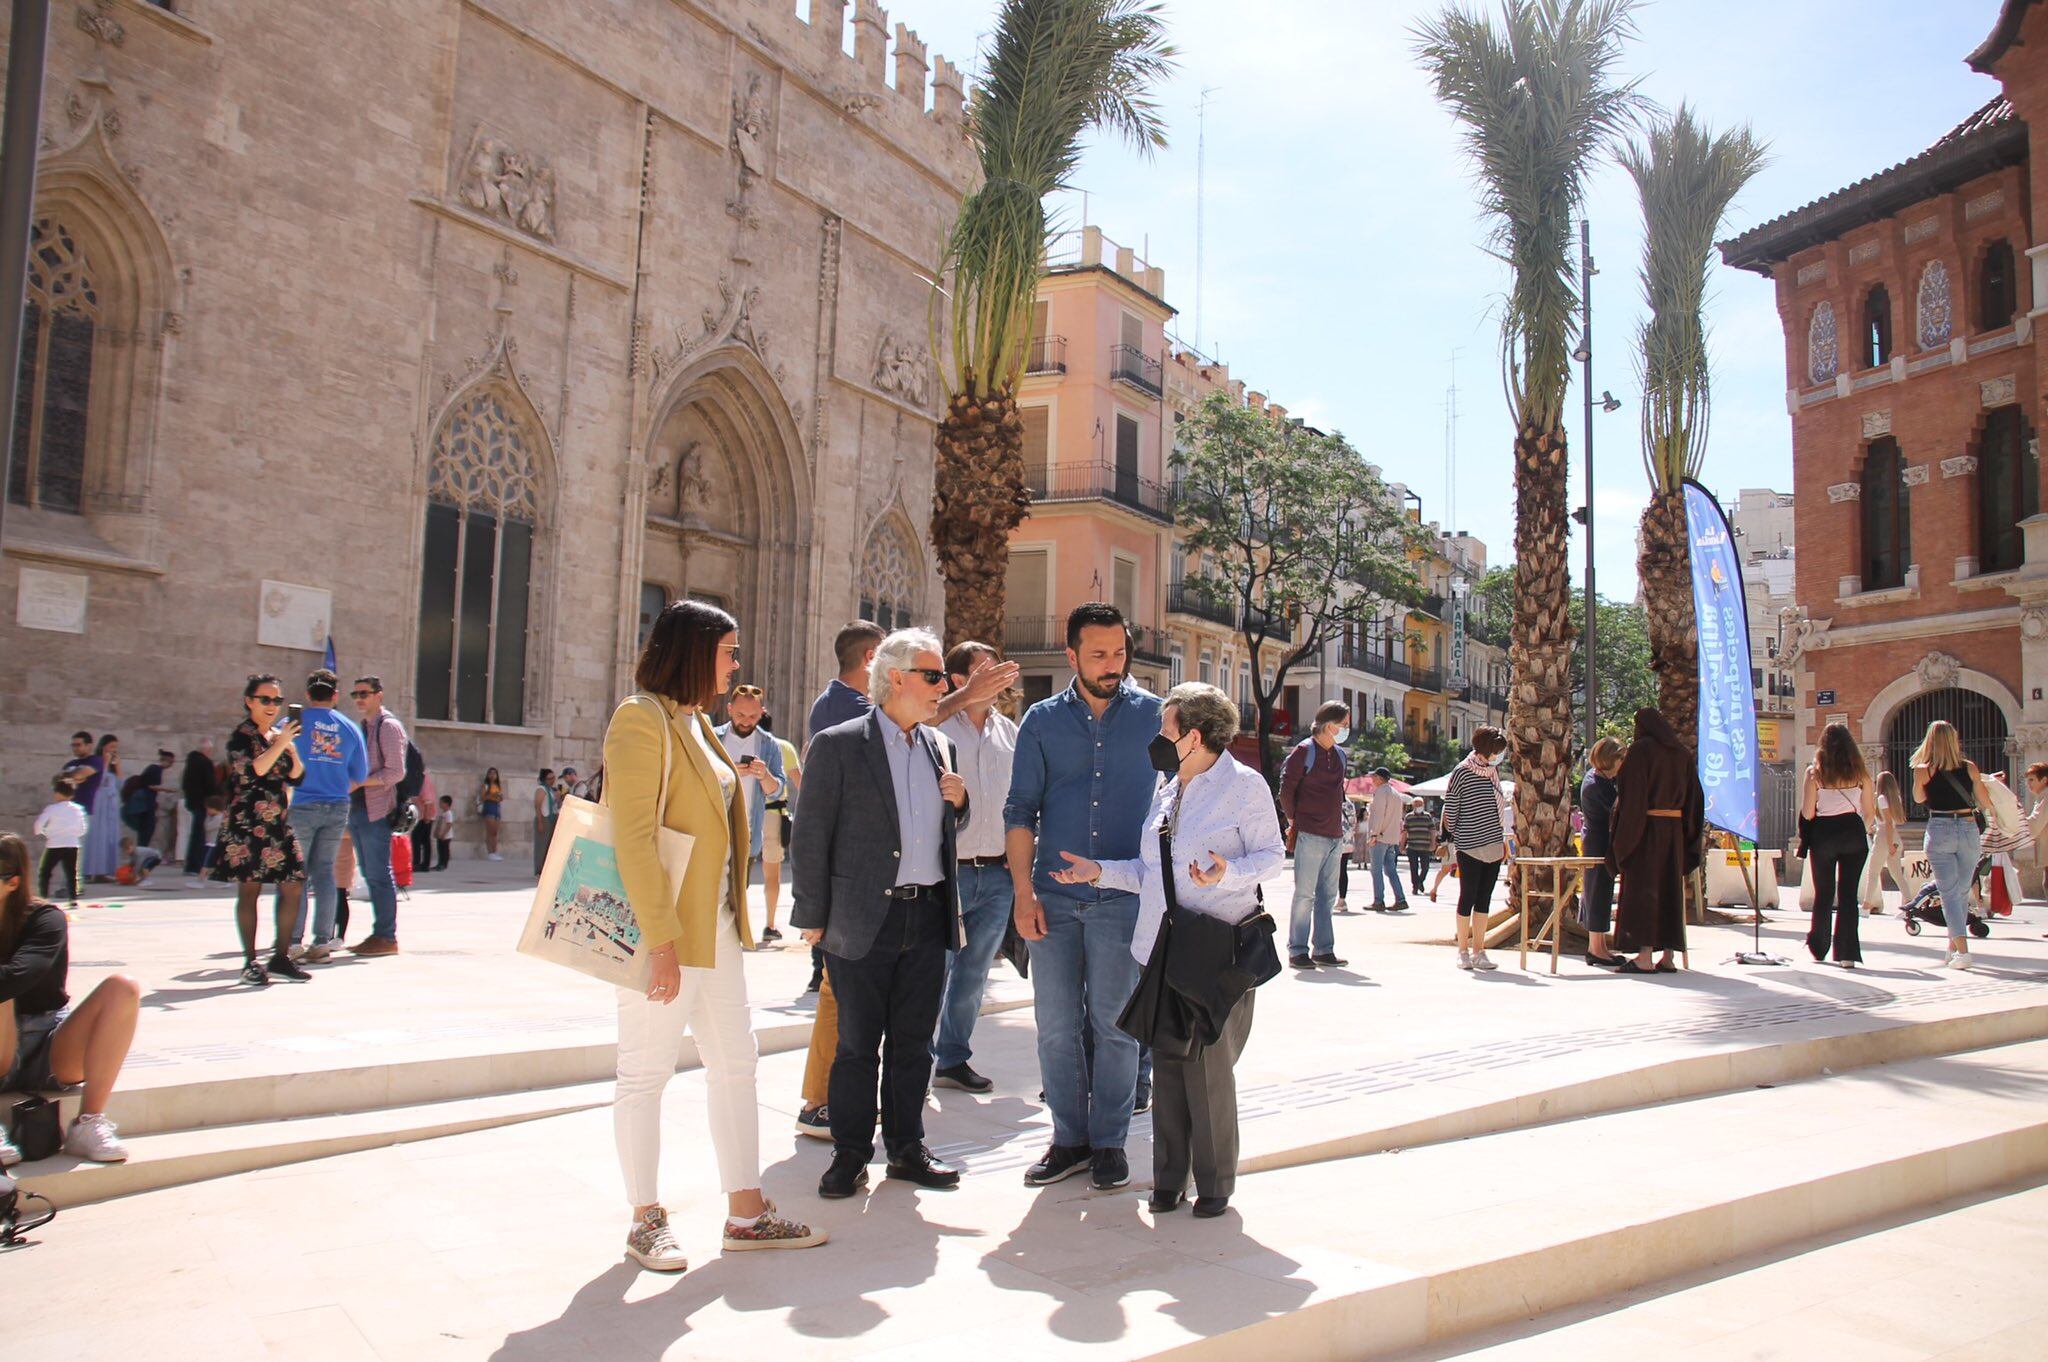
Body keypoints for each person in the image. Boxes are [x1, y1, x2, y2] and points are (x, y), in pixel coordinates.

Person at [607, 599, 823, 1269]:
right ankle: (646, 1219)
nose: (736, 665)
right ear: (695, 652)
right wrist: (660, 944)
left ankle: (747, 1212)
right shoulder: (640, 719)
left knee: (736, 1064)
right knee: (644, 1075)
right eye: (728, 652)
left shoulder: (697, 724)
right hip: (665, 934)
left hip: (719, 933)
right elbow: (633, 839)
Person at [1050, 682, 1282, 1219]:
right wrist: (1097, 873)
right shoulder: (1167, 787)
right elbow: (1148, 872)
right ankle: (1169, 1180)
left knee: (1209, 1067)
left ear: (1194, 735)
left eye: (1165, 729)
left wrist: (1230, 873)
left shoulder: (1244, 787)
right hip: (1158, 947)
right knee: (1170, 1068)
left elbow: (1273, 854)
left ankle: (1215, 1182)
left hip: (1216, 947)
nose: (1158, 738)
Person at [793, 621, 1019, 1140]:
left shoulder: (940, 748)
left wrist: (959, 806)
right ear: (896, 678)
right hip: (862, 917)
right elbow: (810, 834)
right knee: (856, 1047)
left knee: (913, 1043)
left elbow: (942, 826)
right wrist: (812, 918)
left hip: (927, 915)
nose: (944, 687)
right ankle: (848, 1155)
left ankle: (907, 1148)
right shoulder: (839, 742)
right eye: (934, 676)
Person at [1006, 602, 1163, 1193]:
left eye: (1119, 652)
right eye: (1098, 654)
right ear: (1071, 655)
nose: (1112, 665)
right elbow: (1020, 811)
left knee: (1115, 1025)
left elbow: (1175, 803)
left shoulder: (1154, 720)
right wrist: (1023, 894)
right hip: (1052, 899)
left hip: (1122, 898)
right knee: (1054, 1024)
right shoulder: (1041, 722)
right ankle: (1068, 1139)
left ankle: (1110, 1144)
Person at [0, 834, 142, 1167]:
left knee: (123, 988)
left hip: (50, 1047)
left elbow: (21, 974)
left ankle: (88, 1123)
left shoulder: (44, 919)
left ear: (12, 883)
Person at [933, 640, 1018, 1094]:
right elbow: (912, 721)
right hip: (950, 871)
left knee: (974, 972)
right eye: (987, 669)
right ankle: (915, 1064)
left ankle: (952, 1058)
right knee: (937, 969)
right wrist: (961, 700)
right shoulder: (938, 725)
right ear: (960, 678)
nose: (1000, 675)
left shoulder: (1011, 731)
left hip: (999, 872)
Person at [211, 674, 311, 987]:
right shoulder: (240, 737)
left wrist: (291, 750)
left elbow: (297, 777)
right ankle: (249, 961)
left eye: (277, 700)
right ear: (249, 701)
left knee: (294, 882)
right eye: (265, 699)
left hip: (278, 823)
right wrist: (280, 743)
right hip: (247, 824)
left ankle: (281, 957)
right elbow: (254, 770)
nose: (271, 706)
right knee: (250, 889)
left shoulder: (276, 736)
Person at [1610, 707, 1704, 976]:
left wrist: (1623, 838)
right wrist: (1687, 837)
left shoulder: (1640, 751)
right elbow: (1695, 799)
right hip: (1674, 833)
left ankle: (1644, 956)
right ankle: (1669, 956)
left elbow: (1632, 796)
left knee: (1645, 891)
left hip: (1646, 830)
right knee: (1670, 891)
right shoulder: (1682, 755)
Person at [287, 669, 369, 963]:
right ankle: (322, 940)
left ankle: (292, 940)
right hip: (336, 806)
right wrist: (336, 788)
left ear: (308, 695)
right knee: (324, 872)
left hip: (300, 805)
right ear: (335, 696)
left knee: (295, 873)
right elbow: (359, 775)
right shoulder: (349, 728)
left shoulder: (292, 724)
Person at [1278, 702, 1353, 969]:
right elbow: (1286, 790)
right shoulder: (1304, 752)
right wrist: (1294, 820)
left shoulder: (1340, 755)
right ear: (1329, 725)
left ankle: (1323, 949)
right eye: (1343, 724)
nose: (1346, 729)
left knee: (1327, 896)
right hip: (1309, 832)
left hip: (1334, 834)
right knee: (1305, 895)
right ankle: (1298, 950)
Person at [1911, 718, 1989, 970]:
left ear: (1930, 741)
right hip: (1968, 828)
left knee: (1949, 893)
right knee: (1962, 891)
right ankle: (1953, 948)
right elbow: (1984, 802)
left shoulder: (1924, 768)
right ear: (1954, 740)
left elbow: (1918, 797)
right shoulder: (1969, 767)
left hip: (1940, 827)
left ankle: (1962, 952)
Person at [713, 684, 787, 939]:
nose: (746, 722)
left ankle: (729, 943)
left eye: (753, 717)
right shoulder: (714, 738)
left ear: (761, 712)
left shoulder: (768, 745)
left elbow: (777, 789)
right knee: (711, 894)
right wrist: (728, 772)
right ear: (730, 709)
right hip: (715, 829)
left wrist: (763, 775)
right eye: (741, 715)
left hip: (748, 832)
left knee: (736, 895)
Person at [1801, 722, 1876, 969]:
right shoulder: (1860, 773)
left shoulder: (1815, 773)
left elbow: (1808, 812)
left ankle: (1819, 946)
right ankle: (1847, 953)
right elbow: (1869, 812)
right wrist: (1860, 829)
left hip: (1824, 834)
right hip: (1853, 833)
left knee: (1823, 893)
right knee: (1848, 894)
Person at [1441, 727, 1510, 971]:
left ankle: (1480, 950)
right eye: (1495, 752)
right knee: (1467, 897)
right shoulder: (1462, 771)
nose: (1497, 756)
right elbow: (1451, 807)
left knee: (1484, 899)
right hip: (1469, 845)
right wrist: (1455, 838)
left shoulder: (1493, 772)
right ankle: (1463, 950)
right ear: (1484, 749)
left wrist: (1502, 840)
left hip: (1493, 843)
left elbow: (1497, 806)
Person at [347, 676, 407, 956]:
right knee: (371, 874)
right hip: (359, 808)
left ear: (379, 695)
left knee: (380, 874)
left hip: (377, 810)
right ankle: (380, 933)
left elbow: (396, 771)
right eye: (356, 694)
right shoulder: (363, 727)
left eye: (365, 693)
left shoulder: (388, 727)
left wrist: (361, 782)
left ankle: (386, 936)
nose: (360, 698)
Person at [1578, 738, 1625, 968]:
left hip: (1600, 841)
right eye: (1619, 758)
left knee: (1601, 892)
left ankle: (1599, 947)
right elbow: (1615, 810)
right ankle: (1596, 948)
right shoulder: (1597, 783)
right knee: (1596, 893)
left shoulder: (1601, 779)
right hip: (1597, 842)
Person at [760, 714, 801, 941]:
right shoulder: (783, 747)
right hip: (773, 815)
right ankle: (770, 924)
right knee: (771, 874)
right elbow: (800, 783)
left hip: (742, 814)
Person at [1363, 762, 1409, 914]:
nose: (1372, 779)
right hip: (1391, 837)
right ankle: (1400, 899)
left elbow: (1378, 815)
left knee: (1376, 870)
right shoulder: (1395, 793)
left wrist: (1374, 834)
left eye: (1374, 776)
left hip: (1380, 836)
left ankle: (1378, 900)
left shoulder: (1381, 792)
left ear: (1378, 778)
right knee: (1391, 870)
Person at [77, 734, 123, 883]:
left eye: (116, 747)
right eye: (111, 747)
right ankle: (90, 870)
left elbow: (120, 784)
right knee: (97, 835)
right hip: (99, 803)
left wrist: (117, 765)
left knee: (110, 836)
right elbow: (99, 780)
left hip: (112, 804)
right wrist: (105, 762)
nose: (114, 750)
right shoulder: (96, 762)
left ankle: (105, 871)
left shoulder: (113, 766)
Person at [33, 778, 87, 907]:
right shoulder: (78, 809)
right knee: (71, 872)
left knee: (45, 871)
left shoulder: (51, 809)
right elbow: (82, 829)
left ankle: (44, 898)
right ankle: (73, 899)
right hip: (72, 844)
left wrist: (45, 832)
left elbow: (37, 826)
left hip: (54, 844)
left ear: (57, 793)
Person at [1863, 770, 1909, 914]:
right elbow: (1891, 822)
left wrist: (1889, 844)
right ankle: (1909, 903)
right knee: (1897, 874)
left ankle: (1865, 906)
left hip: (1884, 837)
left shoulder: (1881, 798)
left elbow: (1887, 822)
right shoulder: (1896, 798)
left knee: (1873, 872)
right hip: (1894, 836)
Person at [181, 738, 219, 880]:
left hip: (192, 802)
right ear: (206, 750)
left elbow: (185, 784)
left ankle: (192, 865)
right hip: (203, 804)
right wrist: (214, 803)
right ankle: (196, 866)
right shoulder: (205, 763)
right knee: (201, 836)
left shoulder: (190, 762)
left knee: (196, 834)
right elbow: (210, 786)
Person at [1403, 797, 1435, 896]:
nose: (1418, 806)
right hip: (1412, 846)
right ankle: (1415, 886)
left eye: (1420, 804)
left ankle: (1420, 881)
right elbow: (1405, 832)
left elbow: (1432, 831)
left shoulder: (1427, 816)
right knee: (1414, 868)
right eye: (1416, 804)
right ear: (1413, 806)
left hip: (1425, 846)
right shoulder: (1408, 817)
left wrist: (1433, 844)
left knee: (1425, 867)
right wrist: (1402, 845)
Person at [533, 768, 559, 877]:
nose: (552, 780)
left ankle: (546, 869)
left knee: (549, 845)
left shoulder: (551, 790)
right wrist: (540, 822)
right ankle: (538, 870)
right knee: (541, 845)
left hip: (551, 818)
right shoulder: (541, 789)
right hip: (543, 818)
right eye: (550, 778)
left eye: (553, 778)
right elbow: (538, 805)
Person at [477, 767, 506, 861]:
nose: (493, 775)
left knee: (495, 832)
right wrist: (492, 795)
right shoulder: (485, 785)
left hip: (496, 807)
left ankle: (495, 851)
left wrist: (499, 796)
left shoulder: (498, 786)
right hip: (489, 807)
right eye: (491, 773)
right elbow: (483, 797)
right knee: (490, 831)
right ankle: (490, 852)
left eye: (494, 773)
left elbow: (501, 798)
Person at [435, 796, 456, 870]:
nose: (439, 804)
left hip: (446, 836)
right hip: (440, 835)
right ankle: (440, 863)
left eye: (441, 803)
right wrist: (437, 832)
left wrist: (443, 834)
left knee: (444, 850)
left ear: (446, 804)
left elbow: (449, 824)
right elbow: (439, 824)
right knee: (440, 850)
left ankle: (444, 864)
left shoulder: (448, 813)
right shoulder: (442, 813)